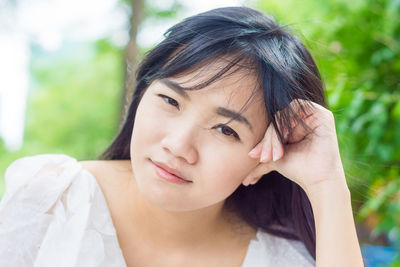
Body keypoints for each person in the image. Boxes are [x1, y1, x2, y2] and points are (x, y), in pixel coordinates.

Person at [0, 6, 364, 267]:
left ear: (265, 160)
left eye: (226, 129)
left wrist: (326, 182)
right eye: (171, 100)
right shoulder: (53, 198)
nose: (178, 145)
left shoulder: (281, 258)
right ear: (141, 94)